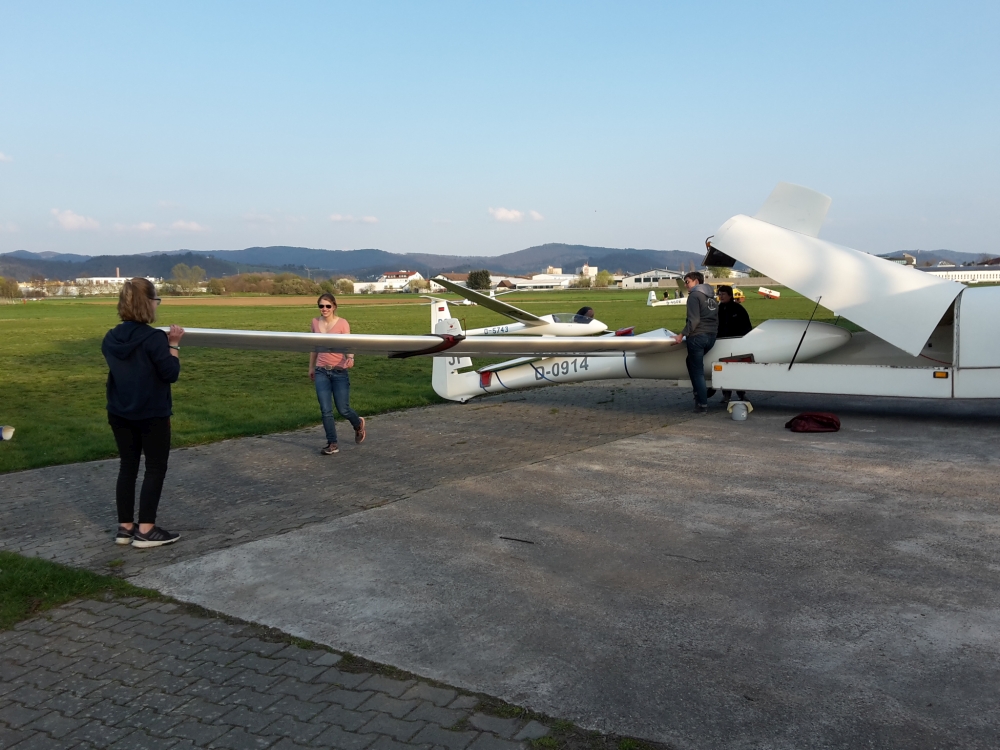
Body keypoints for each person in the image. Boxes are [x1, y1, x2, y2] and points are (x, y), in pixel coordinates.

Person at [102, 278, 184, 548]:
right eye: (155, 301)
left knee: (128, 467)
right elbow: (170, 373)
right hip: (152, 413)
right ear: (147, 304)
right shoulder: (154, 338)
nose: (156, 306)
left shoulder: (111, 338)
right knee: (155, 468)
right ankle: (146, 530)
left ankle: (125, 528)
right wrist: (174, 344)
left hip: (119, 411)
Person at [309, 293, 366, 455]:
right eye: (321, 306)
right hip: (321, 371)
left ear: (334, 307)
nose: (324, 309)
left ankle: (358, 424)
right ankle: (332, 443)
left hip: (339, 371)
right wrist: (311, 368)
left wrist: (350, 358)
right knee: (325, 410)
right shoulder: (314, 323)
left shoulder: (342, 323)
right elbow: (314, 347)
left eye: (327, 306)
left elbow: (349, 344)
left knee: (343, 409)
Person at [672, 271, 718, 413]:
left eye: (687, 282)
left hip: (697, 337)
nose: (685, 285)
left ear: (696, 282)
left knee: (697, 370)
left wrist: (681, 335)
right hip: (711, 336)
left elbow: (694, 321)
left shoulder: (694, 296)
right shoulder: (711, 296)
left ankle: (702, 404)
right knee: (690, 362)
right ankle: (699, 394)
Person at [712, 285, 752, 405]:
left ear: (730, 295)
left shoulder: (738, 309)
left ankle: (741, 393)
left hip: (736, 343)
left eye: (723, 294)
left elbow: (747, 326)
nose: (721, 296)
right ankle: (726, 394)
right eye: (719, 294)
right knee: (724, 370)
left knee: (738, 370)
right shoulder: (718, 310)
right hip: (722, 343)